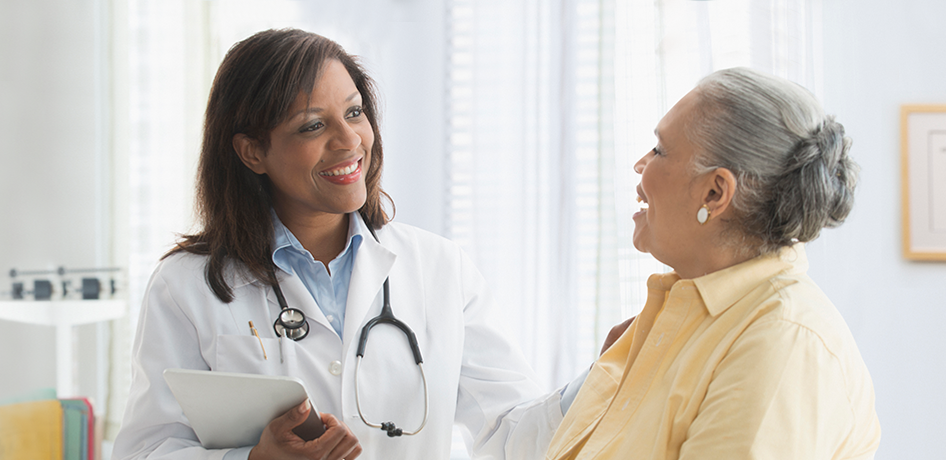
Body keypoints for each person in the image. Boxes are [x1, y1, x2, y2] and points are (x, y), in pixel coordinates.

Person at [113, 28, 588, 460]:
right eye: (312, 126)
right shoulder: (186, 286)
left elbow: (512, 431)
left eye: (355, 113)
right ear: (252, 151)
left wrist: (607, 377)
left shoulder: (438, 268)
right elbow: (147, 449)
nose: (350, 141)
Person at [546, 67, 881, 459]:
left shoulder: (782, 343)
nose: (640, 164)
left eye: (659, 150)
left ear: (714, 193)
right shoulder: (671, 320)